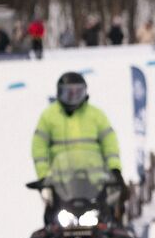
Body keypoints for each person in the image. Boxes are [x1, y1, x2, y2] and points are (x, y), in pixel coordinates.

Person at [31, 72, 124, 221]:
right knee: (50, 227)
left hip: (95, 184)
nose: (72, 97)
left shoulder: (96, 115)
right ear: (59, 92)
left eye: (77, 92)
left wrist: (115, 170)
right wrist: (44, 177)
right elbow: (38, 149)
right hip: (61, 186)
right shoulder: (49, 116)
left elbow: (110, 144)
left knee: (111, 223)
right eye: (68, 92)